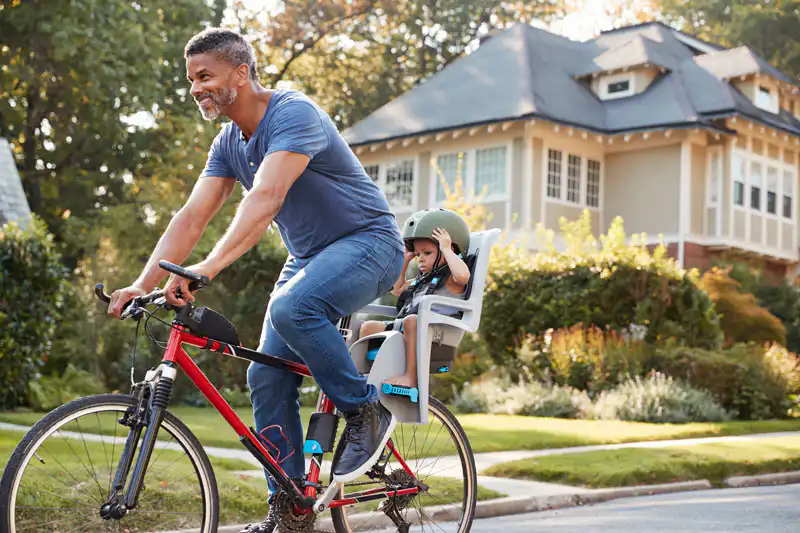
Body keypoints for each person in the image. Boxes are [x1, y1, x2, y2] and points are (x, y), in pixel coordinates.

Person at [106, 27, 403, 533]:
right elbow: (191, 218)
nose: (196, 88)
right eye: (190, 79)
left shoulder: (293, 113)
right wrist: (142, 282)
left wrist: (207, 269)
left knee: (294, 308)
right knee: (265, 375)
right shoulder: (228, 142)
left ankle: (366, 411)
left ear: (240, 73)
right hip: (310, 256)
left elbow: (265, 198)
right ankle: (290, 507)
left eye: (205, 76)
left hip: (370, 243)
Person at [359, 208, 471, 390]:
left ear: (449, 249)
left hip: (436, 332)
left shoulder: (451, 279)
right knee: (368, 327)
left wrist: (446, 249)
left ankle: (411, 378)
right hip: (408, 327)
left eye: (427, 253)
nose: (420, 260)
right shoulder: (422, 280)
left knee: (412, 321)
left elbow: (464, 276)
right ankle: (367, 378)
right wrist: (405, 259)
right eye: (418, 255)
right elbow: (397, 289)